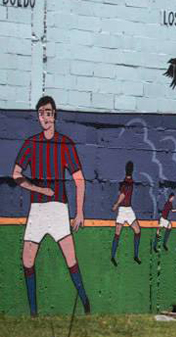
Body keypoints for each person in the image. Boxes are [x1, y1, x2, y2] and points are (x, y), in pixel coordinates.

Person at [13, 96, 91, 316]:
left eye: (47, 112)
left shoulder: (65, 143)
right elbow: (16, 174)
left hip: (58, 208)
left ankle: (86, 304)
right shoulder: (31, 143)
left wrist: (79, 212)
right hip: (37, 209)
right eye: (40, 113)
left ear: (54, 114)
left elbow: (79, 179)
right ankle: (34, 314)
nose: (44, 117)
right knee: (27, 260)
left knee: (71, 258)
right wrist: (38, 189)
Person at [110, 161, 142, 266]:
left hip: (126, 210)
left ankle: (113, 256)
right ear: (132, 170)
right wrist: (116, 204)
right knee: (137, 231)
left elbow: (122, 193)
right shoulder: (129, 182)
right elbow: (123, 194)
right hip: (125, 209)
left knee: (119, 233)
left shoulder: (125, 181)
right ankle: (135, 255)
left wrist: (117, 205)